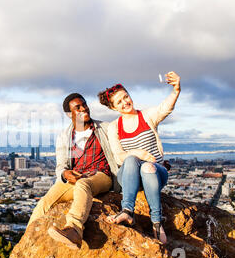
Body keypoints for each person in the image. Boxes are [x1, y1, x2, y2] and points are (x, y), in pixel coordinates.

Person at [97, 71, 181, 244]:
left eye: (126, 97)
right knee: (130, 160)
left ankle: (157, 222)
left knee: (147, 167)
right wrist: (138, 153)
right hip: (129, 175)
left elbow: (165, 108)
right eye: (119, 102)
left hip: (155, 173)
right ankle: (127, 211)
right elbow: (119, 156)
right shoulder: (114, 127)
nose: (125, 102)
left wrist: (176, 90)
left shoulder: (147, 116)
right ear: (113, 108)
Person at [27, 93, 119, 249]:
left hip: (100, 175)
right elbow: (61, 165)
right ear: (70, 114)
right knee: (45, 202)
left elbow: (126, 145)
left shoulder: (105, 128)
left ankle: (74, 230)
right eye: (78, 107)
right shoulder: (64, 136)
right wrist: (64, 174)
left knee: (83, 184)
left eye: (84, 104)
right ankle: (26, 242)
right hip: (75, 177)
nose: (84, 108)